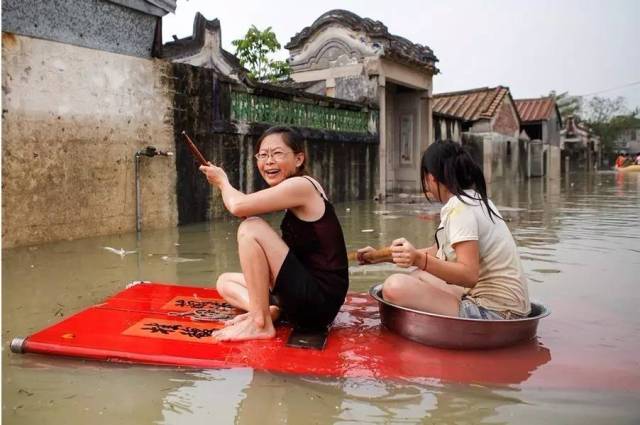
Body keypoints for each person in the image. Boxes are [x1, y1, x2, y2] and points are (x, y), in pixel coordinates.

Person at [199, 126, 349, 341]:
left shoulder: (302, 186)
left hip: (318, 305)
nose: (268, 161)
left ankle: (260, 323)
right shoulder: (294, 188)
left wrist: (223, 181)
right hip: (300, 295)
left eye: (277, 153)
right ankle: (270, 310)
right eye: (263, 155)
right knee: (225, 282)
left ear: (299, 159)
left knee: (251, 227)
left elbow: (239, 206)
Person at [358, 140, 530, 320]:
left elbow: (469, 275)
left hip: (496, 313)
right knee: (420, 275)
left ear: (431, 177)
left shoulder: (460, 208)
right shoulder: (472, 200)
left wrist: (417, 259)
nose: (426, 185)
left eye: (425, 178)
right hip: (510, 309)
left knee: (394, 286)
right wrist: (377, 256)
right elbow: (433, 253)